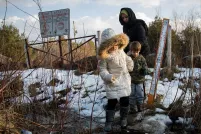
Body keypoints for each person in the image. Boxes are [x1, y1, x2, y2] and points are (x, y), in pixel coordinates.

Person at [98, 28, 134, 132]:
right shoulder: (104, 57)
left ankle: (123, 119)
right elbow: (102, 69)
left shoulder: (121, 51)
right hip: (112, 82)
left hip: (124, 80)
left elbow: (127, 59)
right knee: (112, 102)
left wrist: (130, 63)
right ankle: (109, 122)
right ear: (106, 46)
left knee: (125, 101)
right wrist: (108, 77)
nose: (114, 47)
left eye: (115, 44)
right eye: (110, 45)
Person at [128, 41, 148, 113]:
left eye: (137, 52)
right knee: (131, 94)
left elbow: (145, 66)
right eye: (133, 52)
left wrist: (144, 70)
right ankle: (132, 108)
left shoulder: (142, 58)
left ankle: (140, 106)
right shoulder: (129, 58)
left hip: (140, 80)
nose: (135, 53)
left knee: (140, 94)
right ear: (131, 51)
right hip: (131, 81)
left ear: (139, 51)